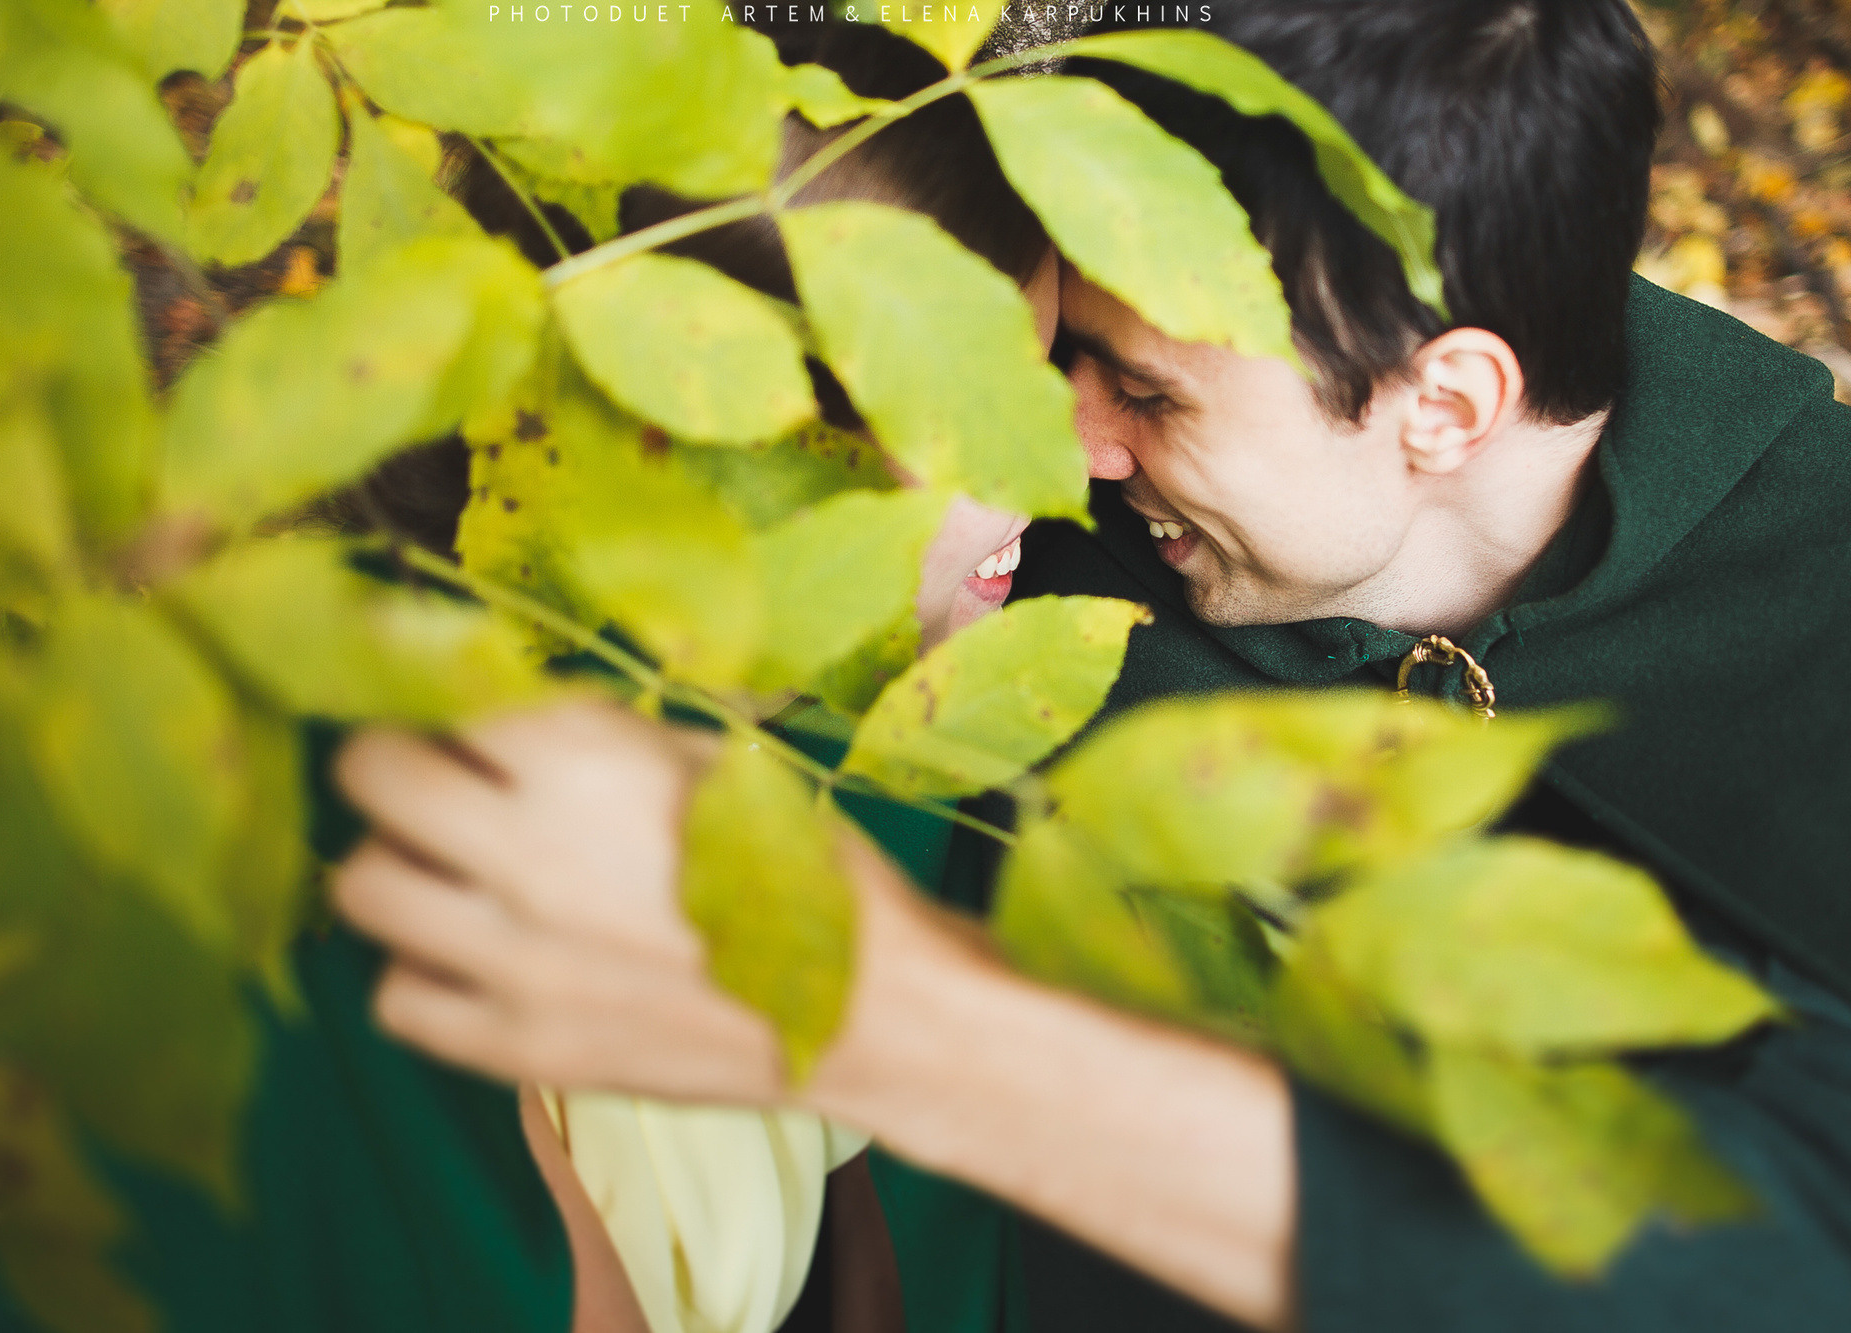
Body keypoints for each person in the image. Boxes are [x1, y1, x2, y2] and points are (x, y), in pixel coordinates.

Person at [331, 3, 1851, 1332]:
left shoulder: (1812, 611)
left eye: (1150, 392)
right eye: (1065, 359)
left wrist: (889, 1018)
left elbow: (1783, 1255)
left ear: (1445, 406)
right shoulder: (1001, 543)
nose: (1063, 446)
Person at [0, 22, 1061, 1333]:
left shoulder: (838, 727)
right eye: (992, 407)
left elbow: (849, 1201)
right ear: (725, 432)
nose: (1071, 465)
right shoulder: (395, 863)